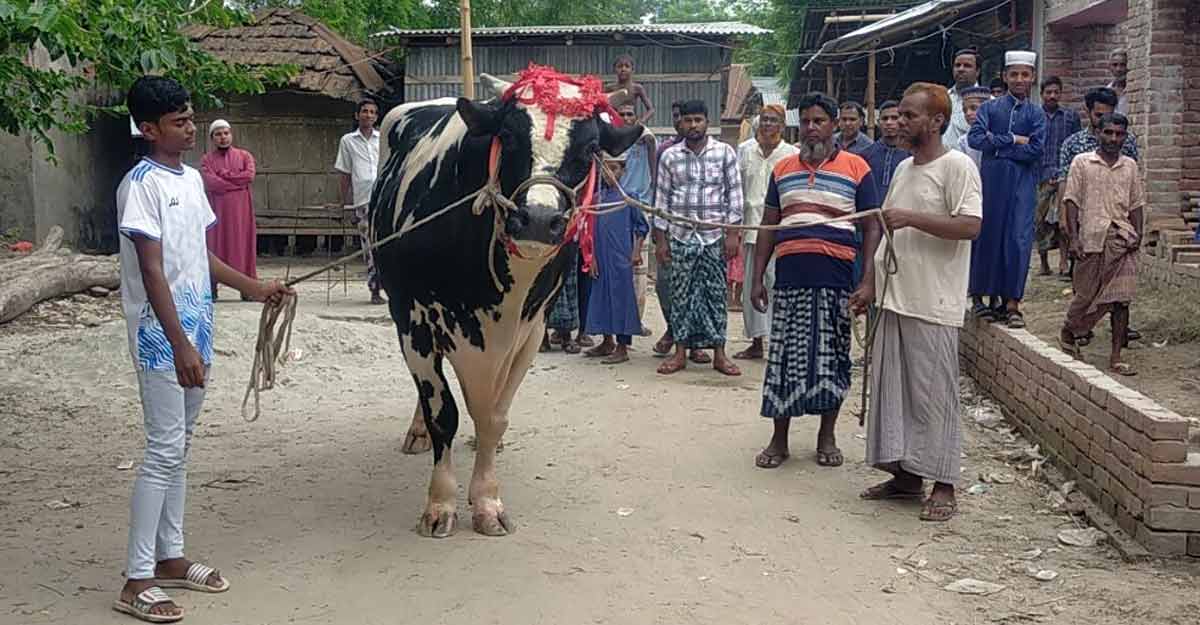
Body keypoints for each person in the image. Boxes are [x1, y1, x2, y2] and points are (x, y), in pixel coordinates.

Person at [113, 76, 291, 623]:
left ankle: (170, 557)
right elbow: (152, 270)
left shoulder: (191, 180)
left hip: (197, 326)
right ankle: (136, 577)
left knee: (181, 445)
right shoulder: (139, 185)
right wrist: (180, 343)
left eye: (192, 117)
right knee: (165, 448)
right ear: (148, 129)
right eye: (179, 121)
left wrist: (254, 287)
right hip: (161, 333)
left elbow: (200, 255)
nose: (191, 128)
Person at [853, 82, 983, 522]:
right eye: (900, 115)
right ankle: (906, 476)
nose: (899, 123)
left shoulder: (958, 166)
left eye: (909, 116)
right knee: (896, 393)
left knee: (934, 396)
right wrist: (869, 283)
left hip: (934, 299)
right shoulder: (904, 169)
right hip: (895, 297)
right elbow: (884, 232)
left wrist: (912, 218)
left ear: (937, 121)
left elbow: (969, 226)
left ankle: (944, 483)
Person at [750, 92, 880, 469]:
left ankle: (827, 436)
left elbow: (872, 227)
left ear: (834, 124)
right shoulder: (783, 169)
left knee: (831, 359)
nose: (811, 127)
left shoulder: (857, 167)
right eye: (805, 120)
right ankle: (779, 439)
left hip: (837, 279)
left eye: (819, 120)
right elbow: (768, 226)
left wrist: (868, 279)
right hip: (789, 279)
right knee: (785, 359)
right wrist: (757, 277)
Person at [653, 99, 743, 377]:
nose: (693, 126)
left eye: (698, 120)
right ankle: (680, 353)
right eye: (688, 120)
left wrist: (732, 235)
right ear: (680, 123)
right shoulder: (669, 156)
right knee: (680, 296)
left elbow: (735, 197)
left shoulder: (725, 153)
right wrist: (661, 241)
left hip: (714, 236)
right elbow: (661, 201)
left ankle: (719, 353)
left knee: (716, 295)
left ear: (707, 121)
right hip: (680, 236)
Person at [1058, 113, 1143, 376]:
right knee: (1085, 296)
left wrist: (1138, 234)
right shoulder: (1082, 163)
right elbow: (1071, 201)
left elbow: (1136, 203)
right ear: (1098, 133)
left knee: (1121, 300)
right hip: (1090, 239)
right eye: (1108, 133)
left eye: (1119, 134)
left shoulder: (1130, 165)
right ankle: (1069, 331)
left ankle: (1116, 356)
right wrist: (1073, 238)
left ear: (1125, 137)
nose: (1113, 138)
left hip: (1121, 240)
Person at [967, 50, 1046, 328]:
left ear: (1033, 78)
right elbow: (976, 139)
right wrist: (1013, 139)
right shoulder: (990, 108)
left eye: (1025, 74)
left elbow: (1036, 149)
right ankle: (980, 298)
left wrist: (999, 147)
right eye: (1014, 74)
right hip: (991, 182)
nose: (1019, 79)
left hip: (1022, 185)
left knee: (1017, 240)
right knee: (988, 235)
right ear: (1005, 76)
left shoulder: (1036, 114)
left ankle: (1011, 303)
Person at [734, 104, 797, 361]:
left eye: (773, 121)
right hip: (750, 229)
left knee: (778, 286)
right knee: (754, 285)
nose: (767, 125)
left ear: (782, 126)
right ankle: (757, 343)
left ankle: (781, 343)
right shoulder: (745, 151)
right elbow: (736, 190)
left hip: (782, 231)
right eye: (764, 120)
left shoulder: (792, 154)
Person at [652, 100, 711, 364]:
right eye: (680, 118)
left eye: (691, 119)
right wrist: (659, 236)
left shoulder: (716, 152)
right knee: (666, 286)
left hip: (706, 234)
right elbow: (659, 195)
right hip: (672, 230)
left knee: (698, 288)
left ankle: (694, 343)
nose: (685, 123)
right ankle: (674, 329)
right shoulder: (665, 151)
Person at [584, 151, 650, 364]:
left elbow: (642, 227)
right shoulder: (596, 199)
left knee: (622, 299)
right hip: (601, 257)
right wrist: (591, 257)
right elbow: (589, 231)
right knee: (602, 297)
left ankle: (622, 346)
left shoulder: (629, 197)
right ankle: (606, 341)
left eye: (614, 168)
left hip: (621, 257)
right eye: (605, 168)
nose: (609, 174)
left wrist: (636, 251)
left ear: (623, 171)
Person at [200, 119, 257, 301]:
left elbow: (249, 176)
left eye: (226, 133)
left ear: (231, 134)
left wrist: (226, 176)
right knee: (215, 245)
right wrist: (235, 183)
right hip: (217, 212)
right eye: (218, 134)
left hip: (241, 212)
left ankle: (246, 288)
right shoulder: (207, 159)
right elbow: (211, 183)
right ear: (212, 138)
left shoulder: (245, 155)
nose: (223, 137)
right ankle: (212, 286)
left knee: (243, 245)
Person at [335, 99, 383, 305]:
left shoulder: (382, 139)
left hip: (383, 197)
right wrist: (343, 203)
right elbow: (345, 172)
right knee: (369, 246)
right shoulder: (348, 140)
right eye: (365, 111)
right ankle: (374, 289)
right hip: (362, 200)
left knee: (386, 243)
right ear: (357, 115)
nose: (369, 115)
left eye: (373, 112)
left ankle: (391, 286)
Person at [1035, 76, 1082, 277]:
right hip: (1040, 176)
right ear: (1042, 94)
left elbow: (1077, 146)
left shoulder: (1070, 117)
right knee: (1039, 220)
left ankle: (1063, 261)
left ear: (1060, 93)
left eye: (1056, 92)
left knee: (1064, 220)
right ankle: (1044, 262)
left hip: (1066, 175)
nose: (1052, 96)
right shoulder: (1034, 116)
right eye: (1048, 92)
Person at [616, 104, 657, 334]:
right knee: (618, 266)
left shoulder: (645, 138)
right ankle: (618, 321)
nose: (625, 117)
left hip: (640, 205)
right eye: (621, 114)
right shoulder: (611, 142)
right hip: (615, 208)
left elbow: (653, 155)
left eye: (630, 114)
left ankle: (637, 320)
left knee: (638, 268)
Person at [862, 101, 911, 202]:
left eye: (894, 118)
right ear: (878, 122)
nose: (889, 122)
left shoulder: (912, 155)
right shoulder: (866, 155)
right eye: (885, 119)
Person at [943, 48, 982, 150]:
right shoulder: (943, 98)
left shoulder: (988, 102)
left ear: (977, 71)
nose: (961, 69)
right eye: (957, 65)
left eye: (967, 66)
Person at [605, 54, 655, 124]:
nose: (623, 69)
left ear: (632, 69)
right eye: (620, 66)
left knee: (647, 135)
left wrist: (642, 121)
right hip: (614, 124)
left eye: (627, 66)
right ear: (614, 69)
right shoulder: (609, 88)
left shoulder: (637, 88)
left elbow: (651, 109)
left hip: (632, 124)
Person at [954, 87, 989, 169]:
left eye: (973, 108)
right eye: (965, 110)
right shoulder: (963, 141)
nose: (968, 113)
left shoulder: (1001, 135)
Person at [1107, 49, 1128, 114]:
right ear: (1110, 67)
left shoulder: (1134, 91)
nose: (1118, 69)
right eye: (1115, 65)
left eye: (1122, 65)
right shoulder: (1107, 90)